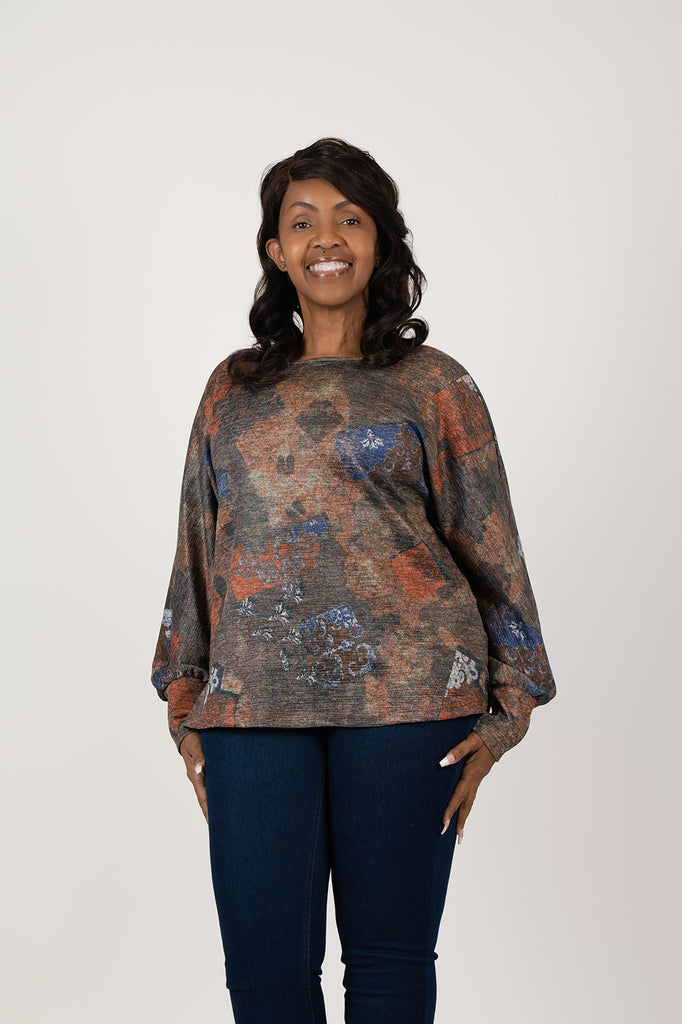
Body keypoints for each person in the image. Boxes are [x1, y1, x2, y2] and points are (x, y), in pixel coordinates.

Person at [150, 136, 556, 1024]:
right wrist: (186, 704)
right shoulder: (231, 389)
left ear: (380, 242)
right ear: (275, 250)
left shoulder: (435, 384)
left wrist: (504, 719)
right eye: (302, 222)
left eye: (350, 218)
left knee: (388, 966)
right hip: (252, 711)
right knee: (264, 974)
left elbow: (493, 549)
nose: (326, 238)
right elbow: (197, 549)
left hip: (413, 709)